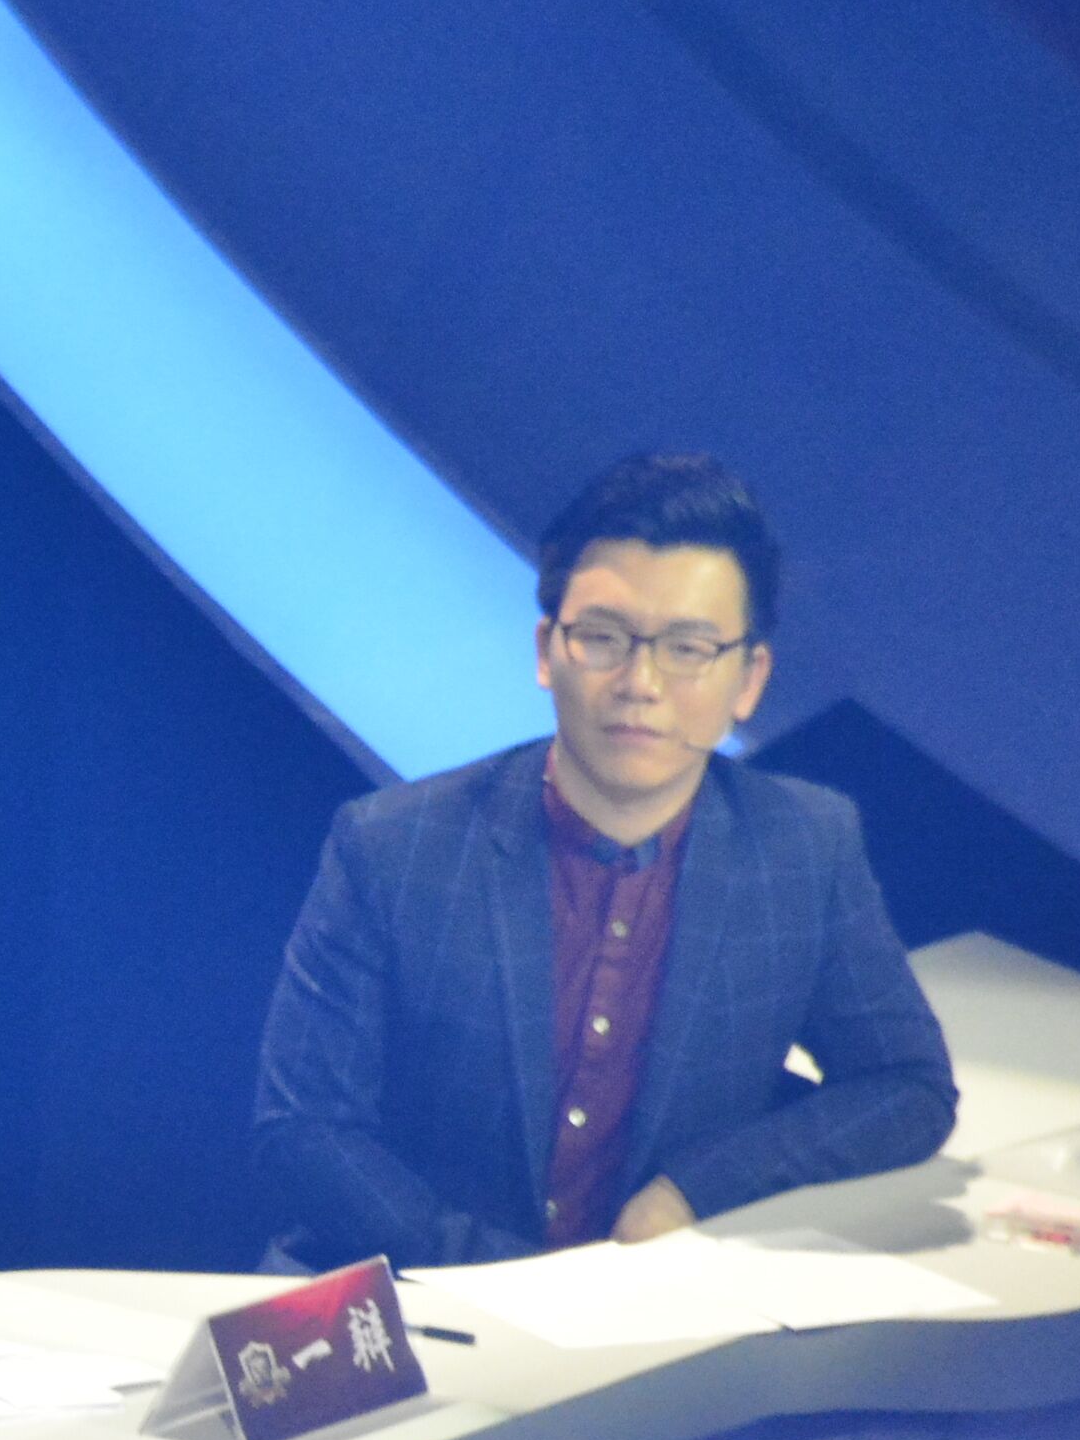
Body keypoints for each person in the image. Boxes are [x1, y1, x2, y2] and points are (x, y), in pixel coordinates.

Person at [252, 452, 956, 1267]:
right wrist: (507, 1278)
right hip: (419, 1293)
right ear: (546, 650)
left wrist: (696, 1189)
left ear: (749, 679)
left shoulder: (804, 845)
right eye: (604, 638)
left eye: (688, 647)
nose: (640, 682)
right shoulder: (394, 847)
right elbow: (304, 1129)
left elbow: (907, 1086)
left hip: (662, 1308)